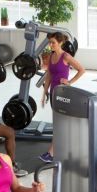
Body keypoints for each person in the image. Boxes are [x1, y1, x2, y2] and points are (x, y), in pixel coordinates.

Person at [39, 32, 86, 163]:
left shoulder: (66, 56)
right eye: (49, 42)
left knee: (59, 123)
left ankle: (51, 153)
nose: (50, 45)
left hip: (64, 93)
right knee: (59, 122)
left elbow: (81, 69)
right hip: (54, 92)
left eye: (53, 42)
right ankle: (63, 151)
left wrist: (70, 82)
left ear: (60, 43)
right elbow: (48, 75)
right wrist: (45, 92)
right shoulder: (52, 56)